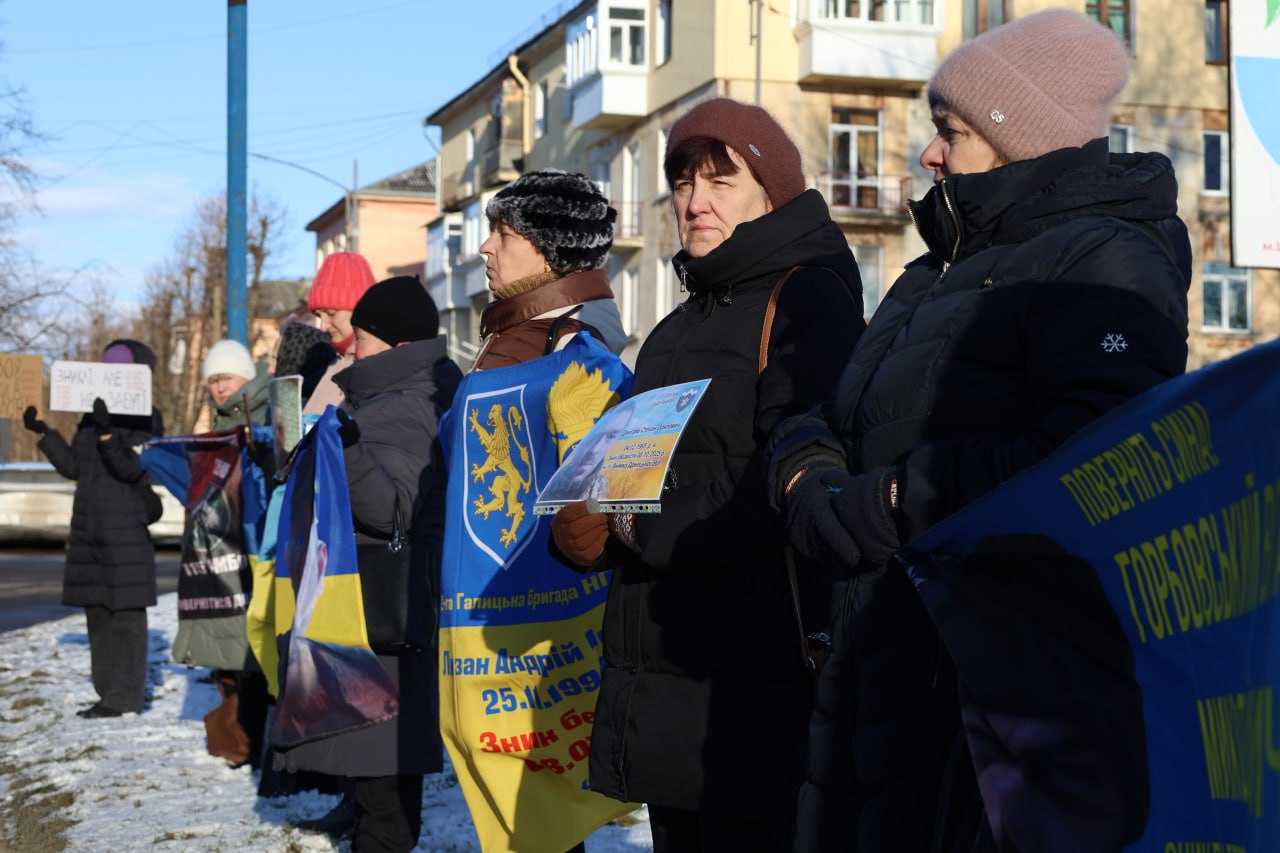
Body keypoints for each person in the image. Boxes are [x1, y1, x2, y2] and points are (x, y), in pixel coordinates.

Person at [765, 11, 1191, 850]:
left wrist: (894, 500)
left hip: (992, 709)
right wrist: (802, 474)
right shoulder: (933, 270)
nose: (930, 153)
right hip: (876, 672)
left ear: (1016, 138)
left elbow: (1094, 457)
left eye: (951, 132)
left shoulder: (1104, 262)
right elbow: (835, 411)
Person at [551, 98, 865, 851]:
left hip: (753, 683)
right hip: (660, 673)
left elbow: (790, 479)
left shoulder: (806, 301)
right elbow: (630, 468)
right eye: (684, 183)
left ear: (771, 193)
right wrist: (585, 517)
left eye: (722, 181)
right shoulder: (671, 330)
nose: (695, 202)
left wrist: (638, 526)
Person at [437, 169, 632, 853]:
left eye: (503, 234)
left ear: (551, 249)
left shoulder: (582, 355)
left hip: (549, 637)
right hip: (478, 624)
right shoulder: (499, 348)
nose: (484, 248)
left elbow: (617, 501)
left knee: (544, 812)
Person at [272, 275, 460, 853]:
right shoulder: (387, 395)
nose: (352, 347)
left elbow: (392, 511)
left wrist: (346, 448)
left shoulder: (409, 403)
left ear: (397, 343)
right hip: (375, 603)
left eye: (363, 337)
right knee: (374, 769)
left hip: (388, 605)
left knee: (385, 778)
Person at [24, 339, 164, 718]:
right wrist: (45, 434)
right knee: (98, 615)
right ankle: (107, 695)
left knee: (127, 617)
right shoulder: (90, 416)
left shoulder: (146, 416)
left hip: (126, 530)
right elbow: (75, 467)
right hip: (89, 529)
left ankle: (126, 698)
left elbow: (131, 469)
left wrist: (107, 435)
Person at [173, 337, 273, 768]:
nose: (219, 386)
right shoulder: (219, 424)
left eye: (226, 377)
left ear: (246, 378)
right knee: (228, 648)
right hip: (221, 550)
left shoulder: (262, 415)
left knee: (251, 648)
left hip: (253, 546)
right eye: (213, 379)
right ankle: (237, 736)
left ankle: (248, 738)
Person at [473, 169, 627, 368]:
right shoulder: (530, 327)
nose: (485, 247)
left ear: (551, 253)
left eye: (504, 235)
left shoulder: (570, 340)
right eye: (491, 232)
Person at [305, 251, 377, 414]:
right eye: (319, 315)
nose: (323, 326)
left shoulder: (374, 366)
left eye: (331, 313)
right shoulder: (338, 362)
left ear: (360, 309)